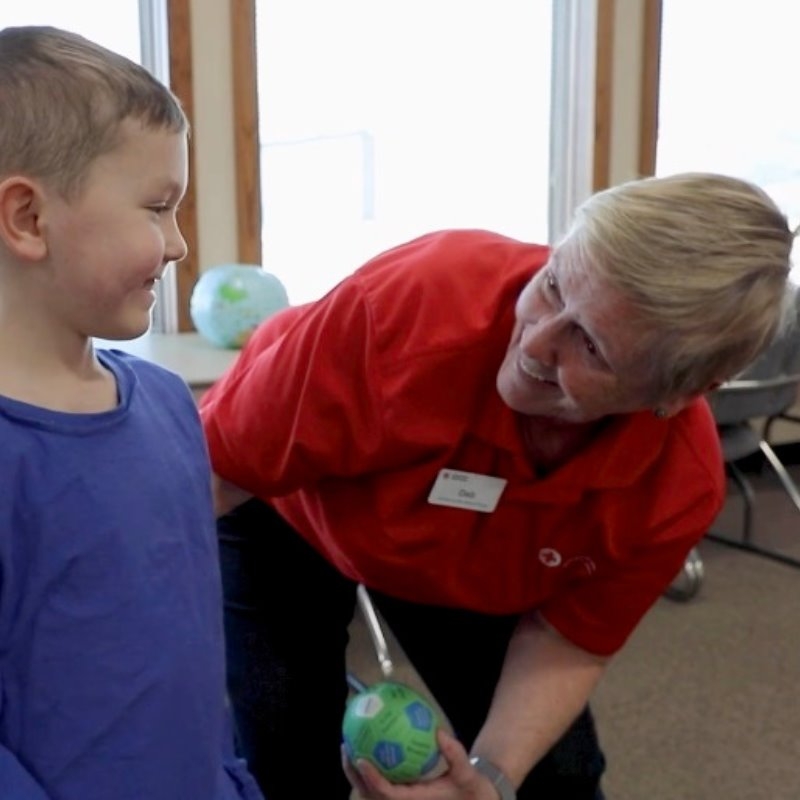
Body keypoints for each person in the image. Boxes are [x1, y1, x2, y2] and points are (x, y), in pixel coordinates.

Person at [199, 172, 796, 800]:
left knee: (554, 782)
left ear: (676, 395)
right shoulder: (411, 305)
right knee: (282, 756)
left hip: (469, 562)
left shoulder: (676, 485)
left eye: (590, 347)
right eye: (553, 284)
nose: (534, 345)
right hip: (284, 510)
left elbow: (568, 640)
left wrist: (488, 777)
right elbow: (207, 483)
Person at [0, 26, 263, 800]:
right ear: (28, 218)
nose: (180, 245)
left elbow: (188, 642)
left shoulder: (166, 408)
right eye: (157, 208)